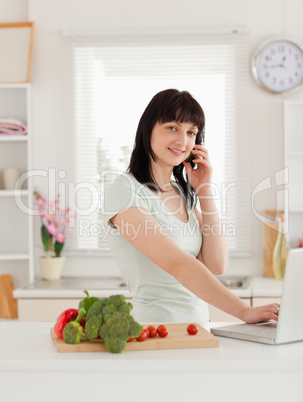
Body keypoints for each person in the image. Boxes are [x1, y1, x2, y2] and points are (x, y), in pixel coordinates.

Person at [102, 89, 280, 324]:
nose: (183, 141)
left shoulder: (181, 194)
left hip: (197, 329)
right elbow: (178, 264)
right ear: (148, 129)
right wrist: (244, 311)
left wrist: (204, 190)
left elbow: (217, 264)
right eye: (172, 128)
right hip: (157, 330)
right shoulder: (126, 191)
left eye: (191, 132)